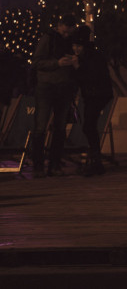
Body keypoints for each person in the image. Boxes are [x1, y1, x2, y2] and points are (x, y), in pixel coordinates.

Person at [30, 13, 78, 177]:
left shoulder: (71, 41)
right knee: (41, 126)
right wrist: (56, 63)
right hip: (47, 86)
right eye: (64, 31)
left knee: (60, 127)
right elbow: (36, 62)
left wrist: (74, 62)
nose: (66, 35)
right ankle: (38, 165)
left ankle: (54, 164)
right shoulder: (48, 38)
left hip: (64, 87)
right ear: (59, 25)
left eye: (68, 32)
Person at [70, 25, 114, 176]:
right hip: (92, 95)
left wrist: (77, 68)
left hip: (97, 94)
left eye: (78, 46)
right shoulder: (88, 56)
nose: (76, 49)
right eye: (74, 45)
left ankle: (96, 160)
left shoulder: (92, 58)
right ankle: (95, 159)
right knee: (89, 125)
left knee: (89, 125)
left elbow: (89, 78)